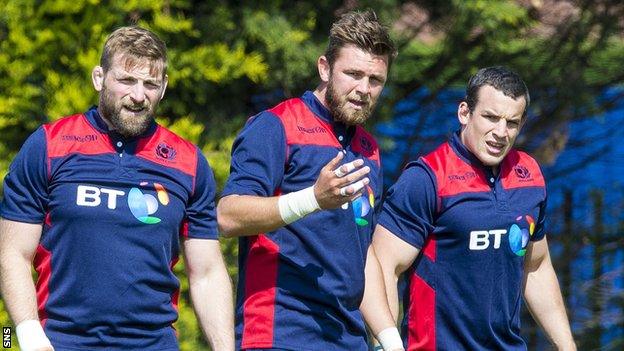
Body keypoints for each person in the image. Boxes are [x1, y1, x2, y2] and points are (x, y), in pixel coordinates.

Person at [0, 26, 234, 351]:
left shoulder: (189, 163)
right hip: (62, 342)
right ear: (100, 78)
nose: (138, 96)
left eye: (150, 84)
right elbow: (12, 252)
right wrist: (26, 333)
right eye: (126, 80)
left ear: (163, 88)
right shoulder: (49, 147)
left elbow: (206, 272)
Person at [217, 10, 403, 351]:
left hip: (348, 339)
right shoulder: (275, 127)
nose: (364, 89)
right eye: (353, 74)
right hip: (280, 334)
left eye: (375, 80)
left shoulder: (368, 149)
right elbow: (228, 216)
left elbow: (362, 256)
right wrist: (312, 199)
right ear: (324, 68)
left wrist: (391, 341)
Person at [372, 66, 576, 350]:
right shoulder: (427, 177)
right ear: (464, 113)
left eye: (512, 122)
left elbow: (536, 267)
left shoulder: (529, 175)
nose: (500, 132)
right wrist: (386, 345)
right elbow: (383, 268)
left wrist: (567, 347)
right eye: (490, 118)